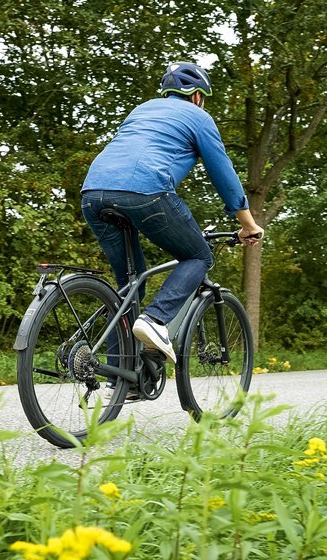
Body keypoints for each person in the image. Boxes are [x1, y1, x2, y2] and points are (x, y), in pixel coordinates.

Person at [81, 61, 264, 367]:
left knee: (129, 284)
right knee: (198, 256)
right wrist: (247, 223)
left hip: (92, 194)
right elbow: (224, 175)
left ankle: (120, 375)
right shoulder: (199, 117)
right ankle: (155, 319)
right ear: (196, 96)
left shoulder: (140, 110)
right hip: (146, 192)